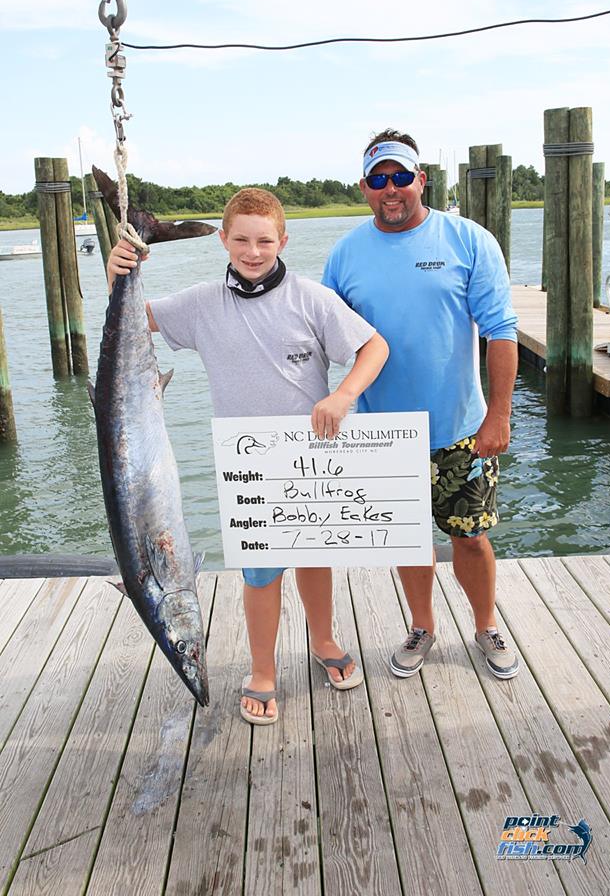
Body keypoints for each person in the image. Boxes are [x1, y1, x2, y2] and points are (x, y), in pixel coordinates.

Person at [107, 188, 389, 724]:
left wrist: (343, 394)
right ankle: (262, 669)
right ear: (223, 240)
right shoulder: (201, 304)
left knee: (315, 557)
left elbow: (375, 347)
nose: (253, 252)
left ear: (284, 241)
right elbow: (134, 322)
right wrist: (118, 271)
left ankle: (324, 640)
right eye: (241, 240)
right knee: (260, 574)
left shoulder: (312, 299)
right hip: (250, 468)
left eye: (264, 241)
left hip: (312, 458)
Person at [322, 129, 520, 680]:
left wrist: (499, 415)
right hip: (383, 435)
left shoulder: (468, 240)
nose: (391, 188)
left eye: (401, 176)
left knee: (471, 537)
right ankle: (422, 626)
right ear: (364, 187)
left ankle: (486, 625)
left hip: (462, 431)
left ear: (421, 180)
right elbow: (320, 335)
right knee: (408, 540)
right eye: (379, 179)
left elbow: (502, 331)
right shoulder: (344, 255)